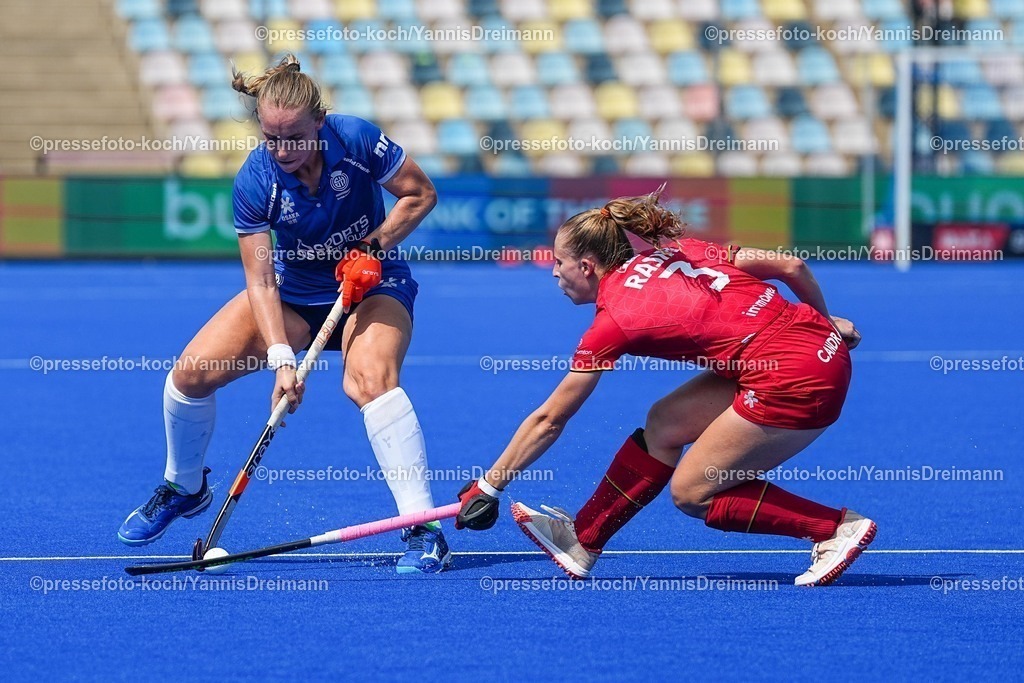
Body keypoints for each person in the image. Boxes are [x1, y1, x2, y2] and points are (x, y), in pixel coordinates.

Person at [118, 54, 452, 573]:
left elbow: (420, 193)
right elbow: (260, 280)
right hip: (297, 295)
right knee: (190, 374)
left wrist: (374, 245)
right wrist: (281, 360)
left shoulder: (358, 140)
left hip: (374, 284)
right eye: (271, 139)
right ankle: (185, 487)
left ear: (319, 122)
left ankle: (422, 527)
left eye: (294, 137)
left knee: (368, 380)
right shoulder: (255, 181)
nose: (283, 150)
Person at [455, 186, 874, 586]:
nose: (553, 273)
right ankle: (583, 540)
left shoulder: (613, 320)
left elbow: (550, 418)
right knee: (665, 424)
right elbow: (791, 267)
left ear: (586, 266)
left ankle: (834, 528)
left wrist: (489, 485)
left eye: (558, 262)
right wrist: (825, 321)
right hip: (813, 346)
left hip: (794, 379)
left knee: (693, 491)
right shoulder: (677, 250)